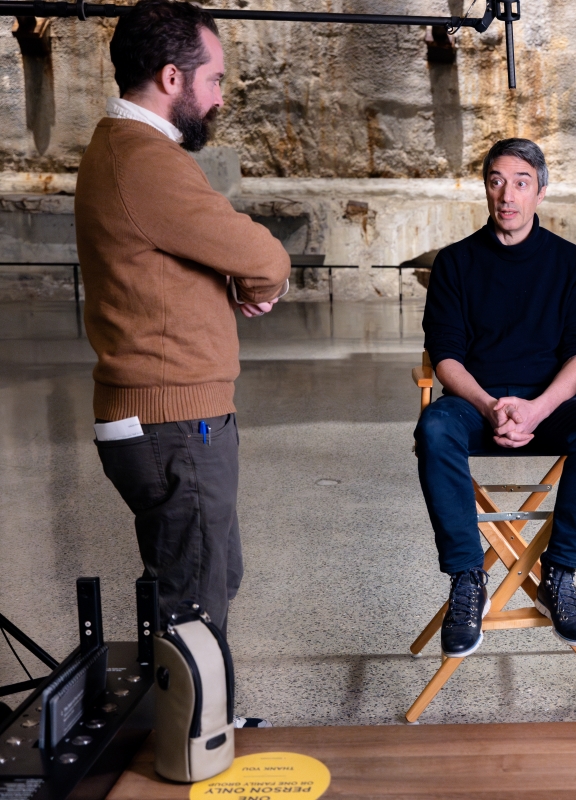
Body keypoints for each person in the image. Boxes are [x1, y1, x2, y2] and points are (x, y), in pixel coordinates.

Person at [75, 0, 290, 725]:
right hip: (175, 418)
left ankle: (205, 723)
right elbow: (263, 256)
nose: (222, 96)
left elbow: (177, 261)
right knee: (194, 594)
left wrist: (229, 281)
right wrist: (258, 281)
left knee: (208, 575)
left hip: (166, 412)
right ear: (174, 77)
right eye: (216, 78)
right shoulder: (145, 161)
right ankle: (189, 746)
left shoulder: (122, 151)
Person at [415, 138, 576, 658]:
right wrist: (489, 406)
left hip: (546, 405)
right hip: (476, 404)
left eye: (521, 183)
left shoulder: (571, 264)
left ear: (541, 193)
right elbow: (445, 357)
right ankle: (466, 578)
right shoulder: (455, 264)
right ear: (486, 189)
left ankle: (559, 573)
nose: (507, 195)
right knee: (434, 427)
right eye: (497, 181)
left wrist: (536, 408)